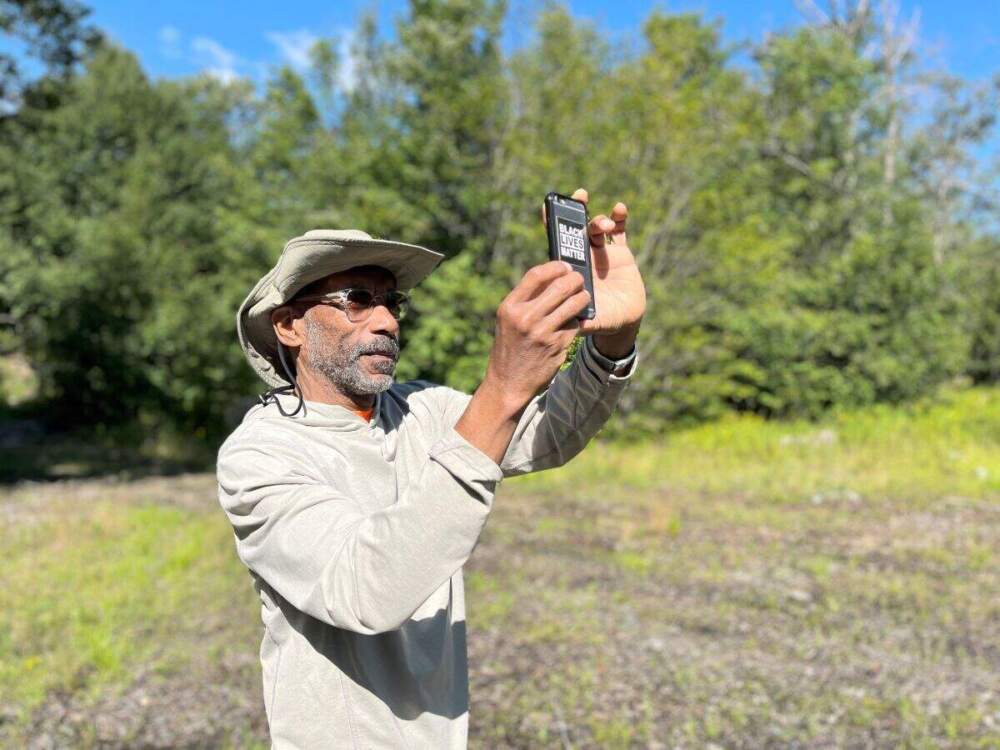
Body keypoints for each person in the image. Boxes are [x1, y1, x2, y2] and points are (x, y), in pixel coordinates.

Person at [216, 188, 645, 748]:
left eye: (391, 303)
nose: (386, 322)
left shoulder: (424, 410)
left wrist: (613, 341)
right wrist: (503, 385)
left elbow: (551, 434)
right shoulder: (262, 453)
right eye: (357, 299)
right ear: (290, 326)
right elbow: (365, 591)